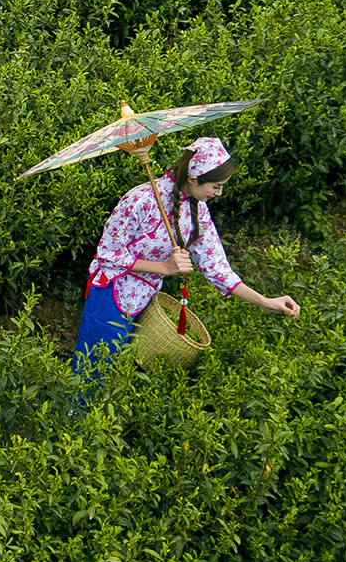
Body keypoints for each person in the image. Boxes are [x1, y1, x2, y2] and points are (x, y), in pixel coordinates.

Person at [72, 136, 301, 399]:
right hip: (111, 294)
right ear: (194, 179)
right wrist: (164, 267)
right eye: (216, 186)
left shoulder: (197, 210)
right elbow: (107, 254)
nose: (219, 193)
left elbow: (216, 267)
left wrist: (266, 302)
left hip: (145, 299)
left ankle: (99, 426)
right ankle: (73, 422)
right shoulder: (141, 200)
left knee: (120, 370)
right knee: (92, 368)